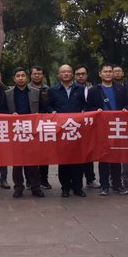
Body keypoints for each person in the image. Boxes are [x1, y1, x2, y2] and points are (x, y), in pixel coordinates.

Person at [85, 64, 128, 196]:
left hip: (117, 126)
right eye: (105, 71)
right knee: (103, 156)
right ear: (100, 74)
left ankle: (117, 184)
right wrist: (96, 110)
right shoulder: (94, 90)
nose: (108, 74)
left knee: (116, 156)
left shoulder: (121, 88)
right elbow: (88, 108)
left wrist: (125, 109)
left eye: (110, 71)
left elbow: (127, 103)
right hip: (101, 127)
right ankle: (104, 185)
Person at [46, 64, 87, 198]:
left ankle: (78, 187)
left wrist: (84, 112)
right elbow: (48, 106)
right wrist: (53, 112)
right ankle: (65, 187)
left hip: (76, 129)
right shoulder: (53, 90)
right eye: (63, 72)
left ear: (72, 74)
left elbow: (85, 105)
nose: (66, 74)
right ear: (59, 75)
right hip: (61, 130)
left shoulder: (80, 89)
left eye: (69, 71)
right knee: (63, 160)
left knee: (78, 160)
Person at [4, 67, 44, 198]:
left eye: (23, 75)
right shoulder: (8, 93)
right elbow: (3, 111)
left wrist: (38, 116)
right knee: (17, 162)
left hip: (32, 130)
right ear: (14, 78)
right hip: (16, 131)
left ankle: (35, 187)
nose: (20, 78)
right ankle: (18, 187)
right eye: (18, 76)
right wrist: (11, 114)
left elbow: (43, 110)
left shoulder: (36, 92)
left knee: (33, 161)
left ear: (26, 77)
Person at [74, 64, 98, 189]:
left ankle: (90, 179)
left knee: (89, 152)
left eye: (83, 74)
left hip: (90, 125)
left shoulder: (94, 89)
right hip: (74, 125)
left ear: (87, 75)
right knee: (75, 154)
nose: (81, 76)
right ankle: (75, 181)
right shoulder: (71, 88)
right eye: (78, 74)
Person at [30, 65, 52, 190]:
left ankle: (44, 179)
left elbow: (50, 105)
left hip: (44, 125)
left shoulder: (48, 90)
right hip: (29, 125)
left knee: (44, 155)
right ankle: (30, 180)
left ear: (43, 75)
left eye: (39, 74)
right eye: (35, 74)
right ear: (31, 75)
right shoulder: (27, 89)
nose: (37, 76)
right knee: (30, 154)